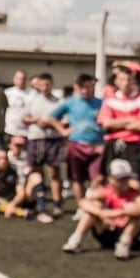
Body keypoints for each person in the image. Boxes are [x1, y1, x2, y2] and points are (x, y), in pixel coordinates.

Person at [61, 159, 140, 259]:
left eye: (126, 178)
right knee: (94, 207)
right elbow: (83, 202)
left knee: (136, 215)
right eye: (120, 179)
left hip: (130, 237)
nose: (124, 182)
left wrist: (115, 213)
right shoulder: (106, 192)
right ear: (111, 179)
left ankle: (124, 245)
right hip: (107, 231)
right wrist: (101, 214)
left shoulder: (136, 195)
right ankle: (75, 240)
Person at [50, 74, 104, 203]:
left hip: (97, 146)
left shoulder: (101, 103)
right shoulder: (71, 102)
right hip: (76, 145)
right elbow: (52, 117)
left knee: (98, 178)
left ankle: (93, 205)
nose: (85, 91)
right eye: (82, 88)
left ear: (93, 86)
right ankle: (82, 207)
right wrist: (63, 130)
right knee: (77, 179)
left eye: (88, 87)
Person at [22, 72, 65, 222]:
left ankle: (57, 203)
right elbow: (25, 118)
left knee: (54, 173)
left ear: (52, 85)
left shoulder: (58, 102)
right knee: (36, 172)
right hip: (36, 138)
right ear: (38, 86)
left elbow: (65, 121)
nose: (45, 87)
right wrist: (36, 120)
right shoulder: (32, 100)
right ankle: (37, 203)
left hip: (53, 139)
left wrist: (51, 123)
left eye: (47, 85)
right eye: (42, 85)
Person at [97, 66, 140, 179]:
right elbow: (106, 124)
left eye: (129, 79)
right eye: (122, 79)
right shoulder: (110, 100)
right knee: (111, 180)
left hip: (134, 146)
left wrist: (116, 123)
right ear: (116, 81)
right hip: (113, 145)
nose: (126, 83)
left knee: (134, 181)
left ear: (133, 81)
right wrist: (129, 120)